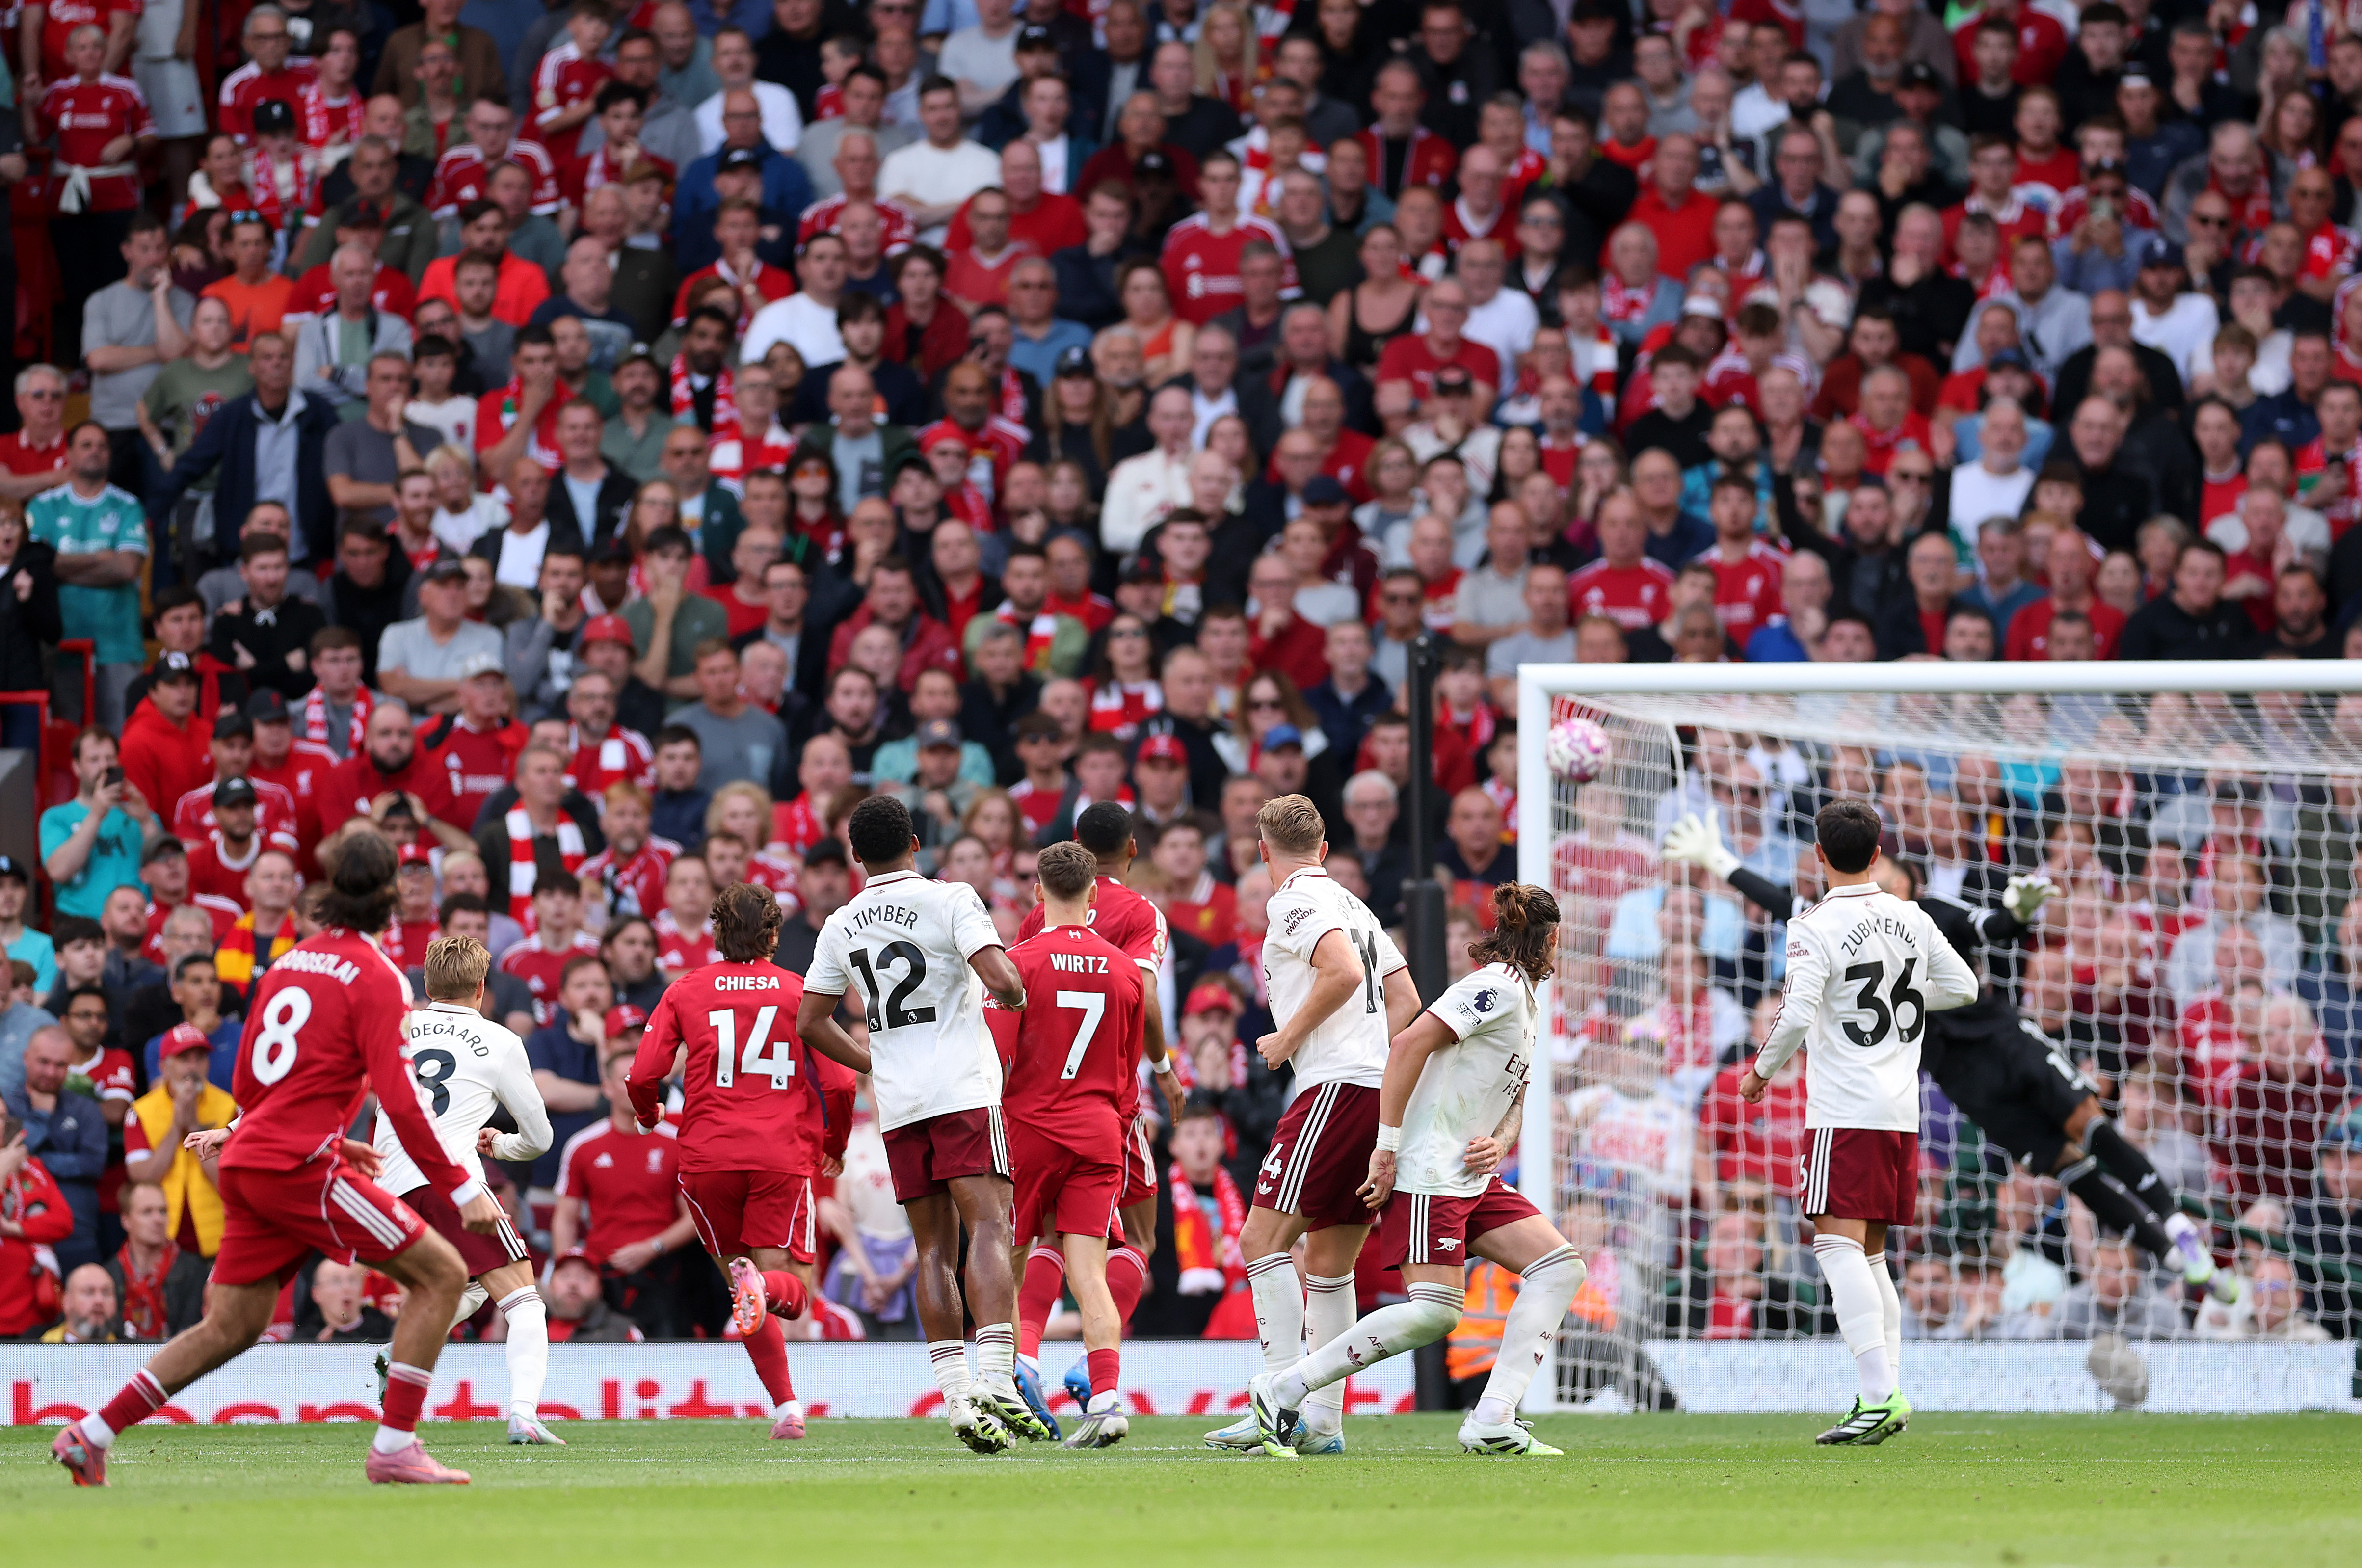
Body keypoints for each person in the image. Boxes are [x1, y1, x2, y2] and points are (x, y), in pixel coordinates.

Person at [53, 834, 504, 1488]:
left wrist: (290, 1129)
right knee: (443, 1273)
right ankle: (396, 1445)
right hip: (296, 1164)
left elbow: (251, 1076)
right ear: (394, 900)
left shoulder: (289, 964)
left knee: (234, 1324)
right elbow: (401, 1100)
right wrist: (463, 1185)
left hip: (255, 1156)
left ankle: (91, 1433)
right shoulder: (378, 975)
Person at [1245, 881, 1588, 1458]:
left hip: (1471, 1175)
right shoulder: (1491, 988)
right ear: (1551, 939)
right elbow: (1405, 1048)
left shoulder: (1523, 998)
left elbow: (1514, 1098)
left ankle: (1494, 1417)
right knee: (1434, 1312)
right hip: (1430, 1171)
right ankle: (1283, 1386)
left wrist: (1500, 1141)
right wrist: (1386, 1145)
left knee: (1559, 1269)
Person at [796, 793, 1042, 1450]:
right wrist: (1015, 990)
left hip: (900, 1100)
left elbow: (811, 1020)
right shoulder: (951, 897)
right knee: (989, 1225)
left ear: (855, 855)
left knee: (933, 1247)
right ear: (915, 841)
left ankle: (957, 1393)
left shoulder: (842, 923)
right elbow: (1000, 974)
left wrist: (872, 1058)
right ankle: (995, 1374)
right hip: (961, 1087)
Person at [1734, 798, 1977, 1445]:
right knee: (1869, 1254)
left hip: (1843, 1110)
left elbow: (1792, 1014)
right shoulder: (1911, 914)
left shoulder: (1814, 924)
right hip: (1900, 1110)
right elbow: (1964, 987)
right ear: (1877, 853)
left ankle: (1878, 1394)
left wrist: (1760, 1072)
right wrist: (1907, 992)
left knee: (1835, 1246)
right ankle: (1884, 1393)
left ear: (1818, 855)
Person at [1204, 793, 1421, 1455]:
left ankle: (1275, 1395)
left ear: (1262, 850)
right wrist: (1375, 1063)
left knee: (1259, 1239)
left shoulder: (1292, 899)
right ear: (1324, 848)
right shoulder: (1356, 904)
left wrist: (1288, 1035)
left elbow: (1343, 970)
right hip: (1374, 1091)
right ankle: (1324, 1422)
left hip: (1333, 1090)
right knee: (1327, 1263)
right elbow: (1407, 999)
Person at [630, 880, 863, 1439]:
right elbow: (841, 1084)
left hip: (707, 1157)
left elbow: (642, 1074)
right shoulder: (798, 991)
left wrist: (647, 1115)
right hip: (780, 1153)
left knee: (744, 1285)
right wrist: (834, 1145)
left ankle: (787, 1408)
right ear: (775, 935)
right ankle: (782, 1381)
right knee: (793, 1291)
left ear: (715, 933)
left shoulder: (685, 990)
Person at [1005, 802, 1181, 1421]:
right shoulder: (1135, 926)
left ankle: (1018, 1360)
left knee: (1030, 1242)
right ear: (1131, 849)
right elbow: (1146, 1006)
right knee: (1126, 1242)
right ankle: (1102, 1387)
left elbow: (1006, 1031)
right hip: (1108, 1113)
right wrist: (1161, 1071)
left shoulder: (1027, 936)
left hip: (1032, 1116)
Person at [369, 933, 559, 1443]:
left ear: (427, 984)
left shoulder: (394, 1027)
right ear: (481, 989)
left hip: (388, 1189)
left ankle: (396, 1353)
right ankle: (524, 1414)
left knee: (470, 1285)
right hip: (452, 1182)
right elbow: (540, 1138)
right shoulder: (501, 1041)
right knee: (524, 1301)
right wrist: (503, 1146)